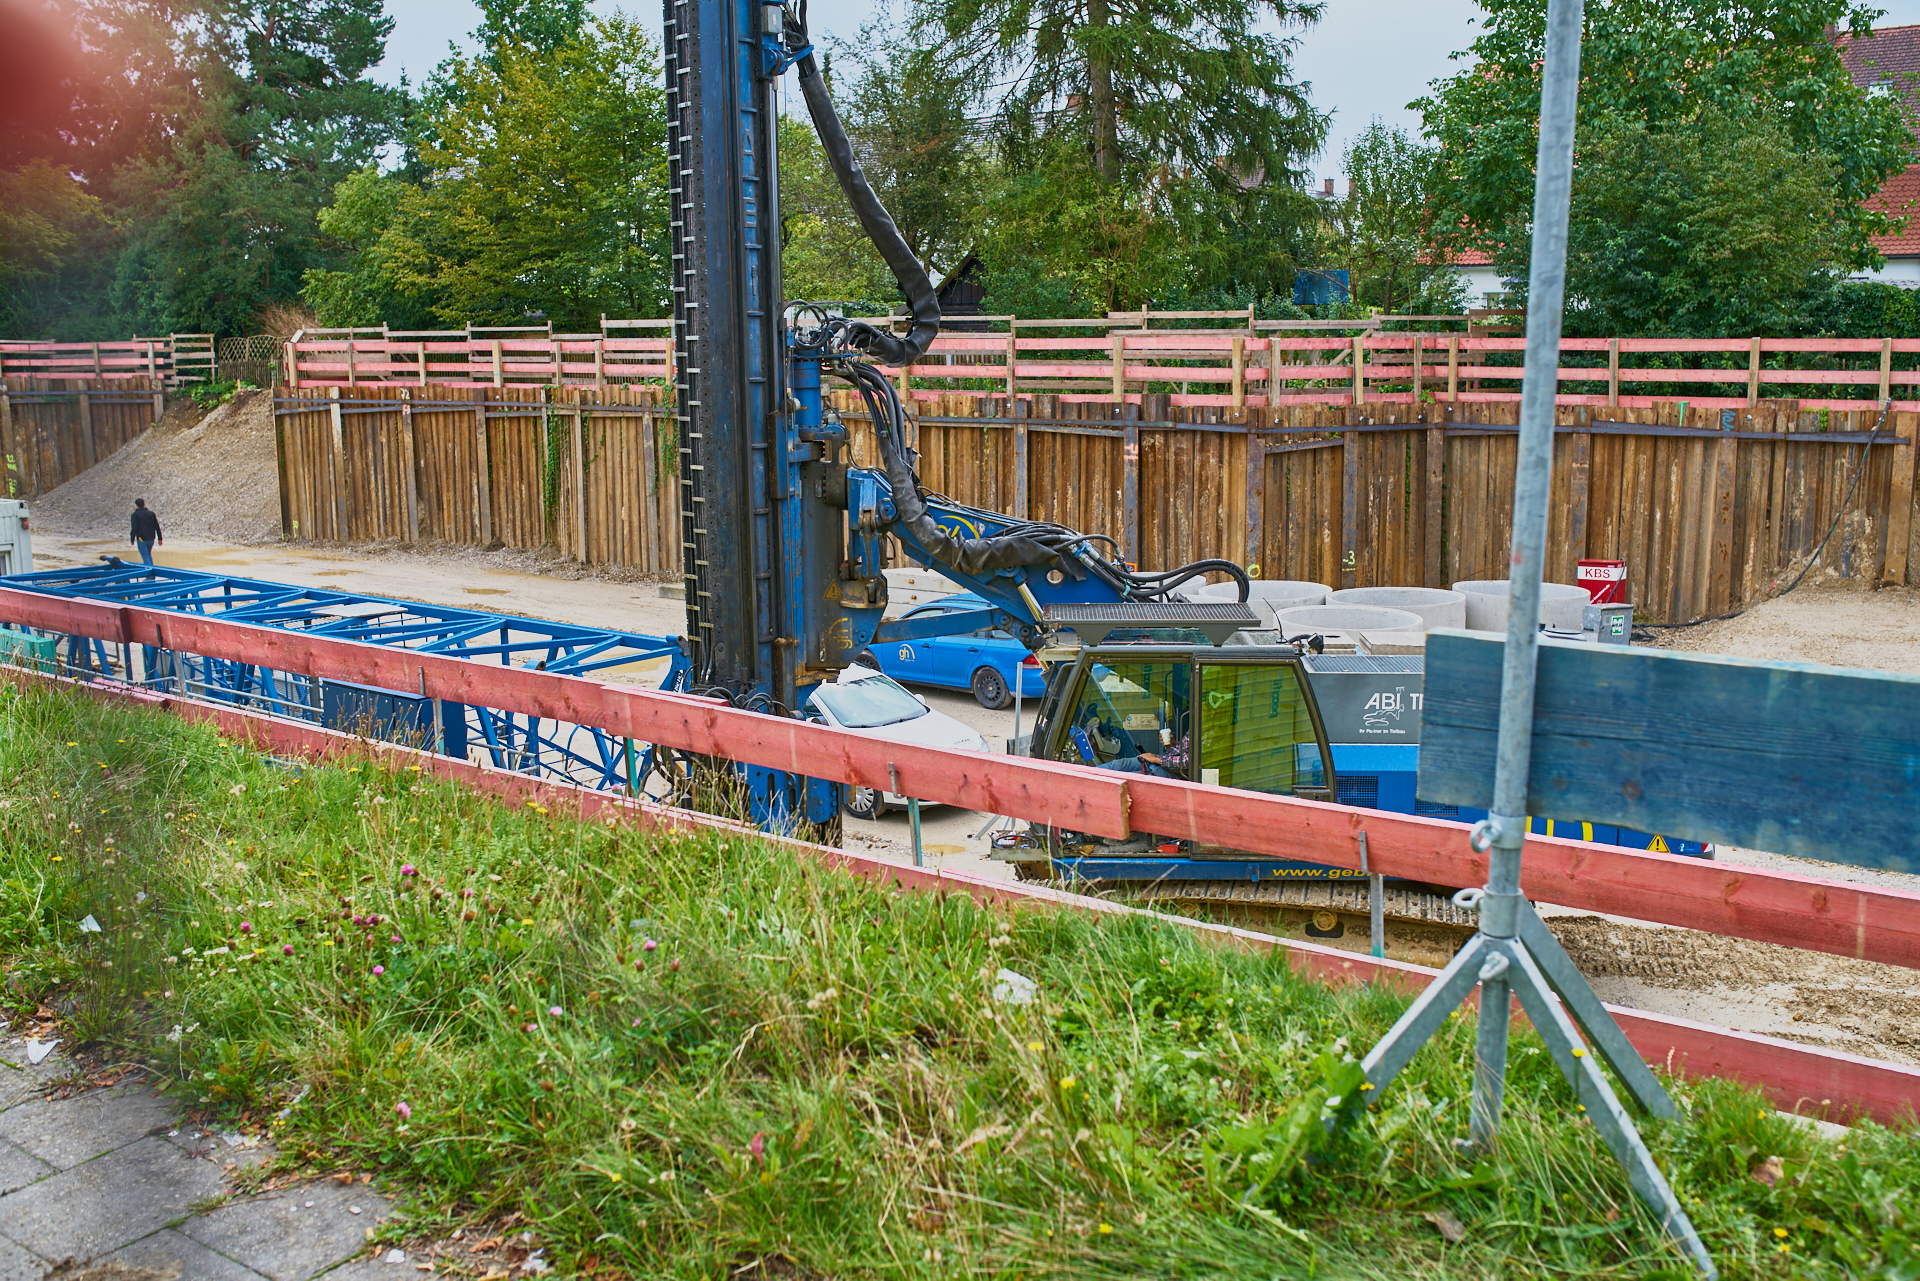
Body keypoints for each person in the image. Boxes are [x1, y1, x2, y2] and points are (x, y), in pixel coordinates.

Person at [1098, 732, 1189, 778]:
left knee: (1126, 778)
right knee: (1121, 764)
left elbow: (1187, 761)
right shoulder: (1195, 726)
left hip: (1177, 773)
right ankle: (1086, 774)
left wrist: (1157, 760)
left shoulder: (1202, 733)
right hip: (1164, 761)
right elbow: (1183, 750)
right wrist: (1173, 744)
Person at [130, 498, 163, 566]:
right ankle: (152, 571)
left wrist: (132, 539)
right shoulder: (151, 514)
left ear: (136, 505)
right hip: (151, 538)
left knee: (145, 556)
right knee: (148, 554)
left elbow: (134, 528)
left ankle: (149, 573)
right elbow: (157, 526)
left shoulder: (135, 515)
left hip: (141, 539)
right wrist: (160, 538)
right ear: (144, 504)